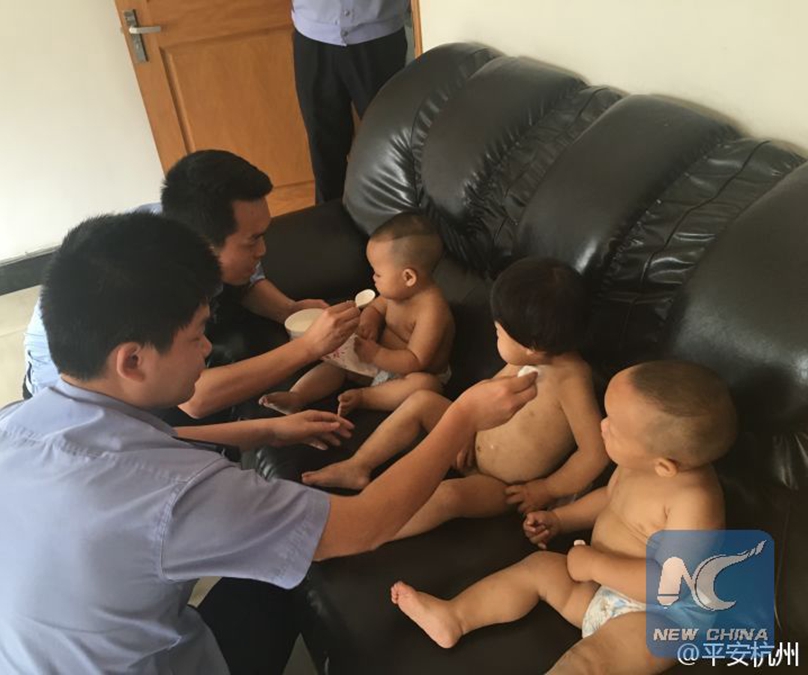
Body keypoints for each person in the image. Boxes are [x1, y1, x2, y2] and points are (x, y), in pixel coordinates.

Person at [0, 212, 539, 675]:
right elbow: (364, 527)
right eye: (196, 336)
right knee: (289, 577)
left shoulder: (4, 429)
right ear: (132, 360)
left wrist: (269, 429)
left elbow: (139, 450)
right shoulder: (179, 495)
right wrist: (462, 417)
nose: (207, 349)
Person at [390, 360, 737, 675]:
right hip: (603, 589)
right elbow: (612, 499)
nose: (602, 426)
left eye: (614, 427)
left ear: (664, 466)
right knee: (538, 568)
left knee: (591, 659)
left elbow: (668, 586)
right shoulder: (638, 462)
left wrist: (595, 565)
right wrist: (561, 519)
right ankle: (455, 616)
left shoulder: (694, 502)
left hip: (660, 617)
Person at [22, 150, 351, 424]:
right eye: (252, 241)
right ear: (205, 245)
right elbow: (196, 399)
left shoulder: (183, 221)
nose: (262, 250)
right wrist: (308, 347)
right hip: (77, 405)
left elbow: (248, 282)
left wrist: (289, 311)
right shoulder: (151, 280)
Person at [302, 258, 607, 538]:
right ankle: (358, 465)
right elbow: (489, 386)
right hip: (468, 442)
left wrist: (546, 489)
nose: (495, 334)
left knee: (449, 496)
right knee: (421, 400)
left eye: (499, 332)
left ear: (532, 347)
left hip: (500, 485)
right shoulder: (524, 359)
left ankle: (375, 533)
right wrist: (466, 428)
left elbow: (594, 454)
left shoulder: (572, 381)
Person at [260, 212, 454, 416]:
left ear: (408, 277)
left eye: (378, 273)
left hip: (410, 373)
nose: (373, 277)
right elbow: (375, 308)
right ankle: (297, 396)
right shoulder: (397, 292)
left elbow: (415, 360)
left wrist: (376, 355)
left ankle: (365, 397)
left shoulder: (431, 311)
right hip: (377, 360)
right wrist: (369, 322)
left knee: (425, 386)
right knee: (340, 364)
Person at [292, 0, 409, 203]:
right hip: (313, 34)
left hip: (380, 34)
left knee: (389, 147)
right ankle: (329, 218)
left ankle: (393, 219)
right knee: (324, 153)